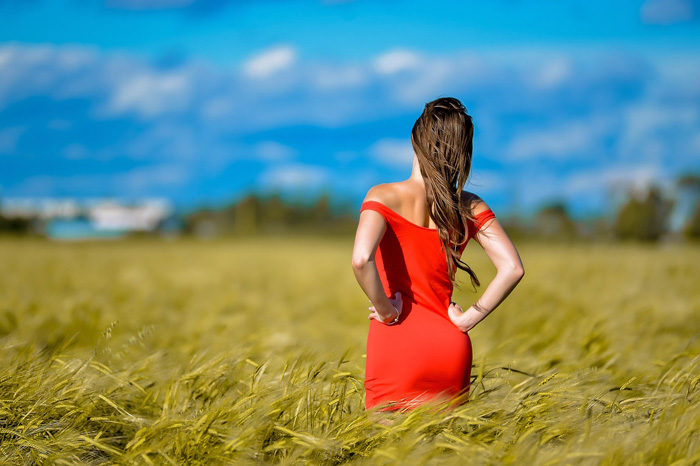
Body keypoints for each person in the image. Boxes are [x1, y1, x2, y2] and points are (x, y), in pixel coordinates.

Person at [351, 97, 524, 412]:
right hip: (450, 344)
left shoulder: (383, 196)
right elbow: (512, 268)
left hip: (396, 341)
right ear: (461, 152)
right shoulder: (470, 206)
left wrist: (387, 310)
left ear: (415, 140)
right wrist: (468, 319)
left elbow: (361, 259)